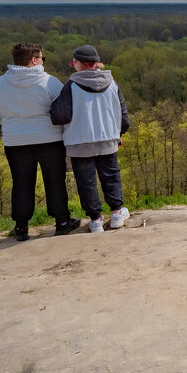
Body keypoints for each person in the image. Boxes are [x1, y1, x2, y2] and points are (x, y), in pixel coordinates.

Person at [0, 43, 81, 240]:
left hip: (15, 141)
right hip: (49, 138)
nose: (43, 62)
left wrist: (14, 124)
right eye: (42, 58)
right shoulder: (50, 82)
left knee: (21, 183)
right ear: (34, 60)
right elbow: (62, 111)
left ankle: (21, 227)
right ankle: (62, 222)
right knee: (55, 181)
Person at [50, 45, 131, 233]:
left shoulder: (71, 86)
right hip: (107, 138)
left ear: (79, 64)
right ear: (96, 64)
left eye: (74, 63)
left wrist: (53, 106)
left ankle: (95, 219)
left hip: (79, 141)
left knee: (86, 182)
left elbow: (59, 116)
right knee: (111, 176)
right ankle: (117, 213)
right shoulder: (112, 83)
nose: (73, 66)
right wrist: (119, 132)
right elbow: (123, 115)